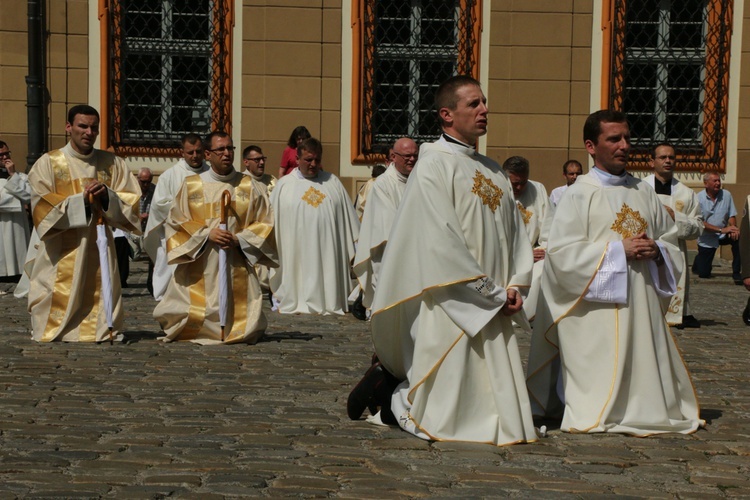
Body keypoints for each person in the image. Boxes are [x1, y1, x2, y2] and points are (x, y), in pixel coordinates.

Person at [352, 75, 537, 445]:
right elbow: (440, 240)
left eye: (484, 102)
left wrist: (515, 284)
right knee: (447, 414)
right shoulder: (433, 163)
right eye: (474, 104)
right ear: (447, 115)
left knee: (502, 416)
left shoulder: (494, 169)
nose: (484, 110)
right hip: (451, 298)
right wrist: (489, 292)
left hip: (496, 297)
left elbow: (517, 237)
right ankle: (393, 401)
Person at [526, 109, 703, 436]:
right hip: (596, 308)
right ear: (591, 146)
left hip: (641, 298)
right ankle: (598, 407)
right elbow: (561, 256)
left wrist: (657, 251)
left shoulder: (643, 190)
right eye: (614, 139)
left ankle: (643, 404)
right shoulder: (580, 192)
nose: (624, 145)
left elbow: (668, 238)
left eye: (627, 138)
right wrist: (618, 250)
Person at [27, 104, 141, 342]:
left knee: (100, 289)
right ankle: (58, 327)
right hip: (62, 247)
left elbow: (131, 201)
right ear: (69, 127)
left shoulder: (112, 164)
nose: (89, 132)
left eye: (94, 128)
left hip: (98, 243)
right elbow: (41, 205)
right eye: (83, 126)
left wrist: (107, 196)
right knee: (57, 291)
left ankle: (101, 328)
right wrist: (83, 201)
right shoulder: (49, 163)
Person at [153, 131, 277, 344]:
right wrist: (206, 234)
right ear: (208, 155)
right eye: (221, 149)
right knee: (191, 312)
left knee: (242, 320)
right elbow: (176, 221)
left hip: (235, 263)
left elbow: (266, 223)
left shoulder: (250, 186)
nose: (227, 153)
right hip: (200, 265)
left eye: (230, 148)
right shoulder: (191, 185)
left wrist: (240, 239)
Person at [270, 137, 359, 315]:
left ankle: (329, 300)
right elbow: (272, 222)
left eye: (316, 160)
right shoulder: (284, 185)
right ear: (297, 159)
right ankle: (297, 298)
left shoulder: (332, 182)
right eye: (308, 160)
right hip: (295, 248)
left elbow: (348, 220)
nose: (313, 164)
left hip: (329, 248)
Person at [353, 137, 417, 310]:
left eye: (415, 155)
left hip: (415, 251)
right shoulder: (383, 184)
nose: (412, 159)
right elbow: (387, 224)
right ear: (394, 157)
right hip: (388, 250)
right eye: (407, 156)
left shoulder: (420, 180)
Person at [643, 143, 703, 329]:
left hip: (674, 250)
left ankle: (676, 314)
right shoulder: (639, 189)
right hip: (646, 248)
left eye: (671, 157)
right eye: (662, 157)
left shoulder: (686, 194)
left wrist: (675, 217)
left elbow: (698, 227)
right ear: (652, 161)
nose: (668, 161)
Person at [143, 133, 210, 300]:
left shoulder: (211, 173)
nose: (195, 156)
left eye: (198, 151)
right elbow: (159, 205)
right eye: (190, 152)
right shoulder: (169, 176)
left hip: (205, 236)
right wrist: (187, 213)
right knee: (172, 282)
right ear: (182, 152)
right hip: (176, 236)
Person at [502, 155, 548, 318]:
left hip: (532, 257)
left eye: (524, 182)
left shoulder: (537, 189)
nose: (520, 187)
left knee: (543, 269)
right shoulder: (498, 190)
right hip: (504, 256)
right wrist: (524, 254)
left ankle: (525, 315)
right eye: (515, 183)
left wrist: (540, 250)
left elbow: (548, 229)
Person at [692, 172, 741, 283]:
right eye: (715, 181)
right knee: (704, 274)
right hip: (707, 237)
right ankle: (698, 261)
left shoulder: (726, 195)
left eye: (719, 180)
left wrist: (733, 228)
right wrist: (721, 230)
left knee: (738, 239)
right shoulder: (698, 198)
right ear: (706, 183)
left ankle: (737, 273)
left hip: (723, 235)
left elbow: (731, 215)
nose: (718, 183)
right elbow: (700, 222)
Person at [242, 145, 276, 292]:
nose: (261, 163)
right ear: (246, 162)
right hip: (255, 233)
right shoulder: (241, 183)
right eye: (257, 160)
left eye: (263, 159)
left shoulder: (273, 181)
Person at [0, 140, 31, 278]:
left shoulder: (20, 177)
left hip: (17, 226)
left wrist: (13, 176)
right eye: (1, 155)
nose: (5, 157)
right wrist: (17, 200)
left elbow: (29, 195)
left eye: (7, 153)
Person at [136, 168, 156, 293]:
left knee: (152, 258)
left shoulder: (155, 190)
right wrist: (138, 217)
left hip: (151, 229)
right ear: (138, 179)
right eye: (143, 182)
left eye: (148, 182)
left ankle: (151, 284)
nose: (145, 185)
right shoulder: (132, 190)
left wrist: (151, 216)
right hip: (134, 229)